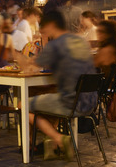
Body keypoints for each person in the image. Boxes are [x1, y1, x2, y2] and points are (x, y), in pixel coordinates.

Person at [21, 11, 96, 160]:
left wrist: (18, 55)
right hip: (91, 101)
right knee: (44, 103)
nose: (43, 31)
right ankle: (50, 144)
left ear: (51, 25)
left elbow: (29, 68)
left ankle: (57, 138)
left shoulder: (55, 45)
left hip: (70, 102)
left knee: (22, 104)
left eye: (44, 28)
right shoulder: (80, 41)